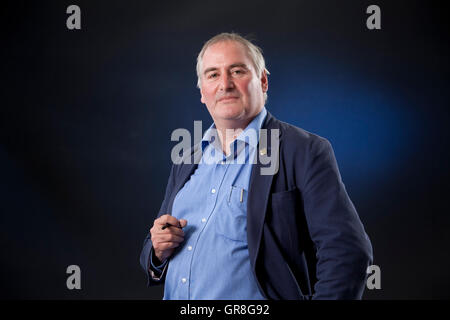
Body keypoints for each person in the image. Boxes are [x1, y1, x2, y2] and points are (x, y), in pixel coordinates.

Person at [139, 32, 373, 300]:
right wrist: (157, 252)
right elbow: (154, 245)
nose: (225, 84)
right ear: (202, 92)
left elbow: (347, 251)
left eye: (237, 71)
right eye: (213, 75)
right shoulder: (186, 160)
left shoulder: (304, 151)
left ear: (262, 81)